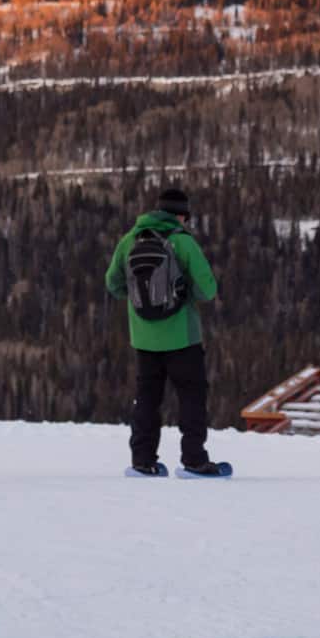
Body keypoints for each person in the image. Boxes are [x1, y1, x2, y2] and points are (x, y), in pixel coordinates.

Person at [105, 186, 224, 477]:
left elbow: (112, 283)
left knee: (147, 399)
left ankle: (143, 461)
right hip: (183, 337)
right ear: (182, 216)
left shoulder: (129, 240)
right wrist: (182, 294)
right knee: (192, 397)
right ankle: (194, 460)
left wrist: (139, 298)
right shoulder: (182, 242)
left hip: (144, 338)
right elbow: (208, 289)